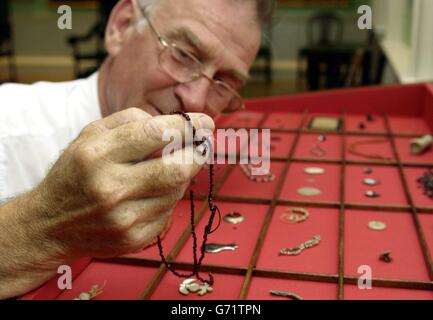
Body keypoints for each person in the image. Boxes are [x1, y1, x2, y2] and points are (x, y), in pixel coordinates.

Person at [0, 0, 273, 299]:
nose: (196, 100)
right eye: (183, 55)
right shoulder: (8, 124)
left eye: (223, 83)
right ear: (122, 26)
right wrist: (45, 228)